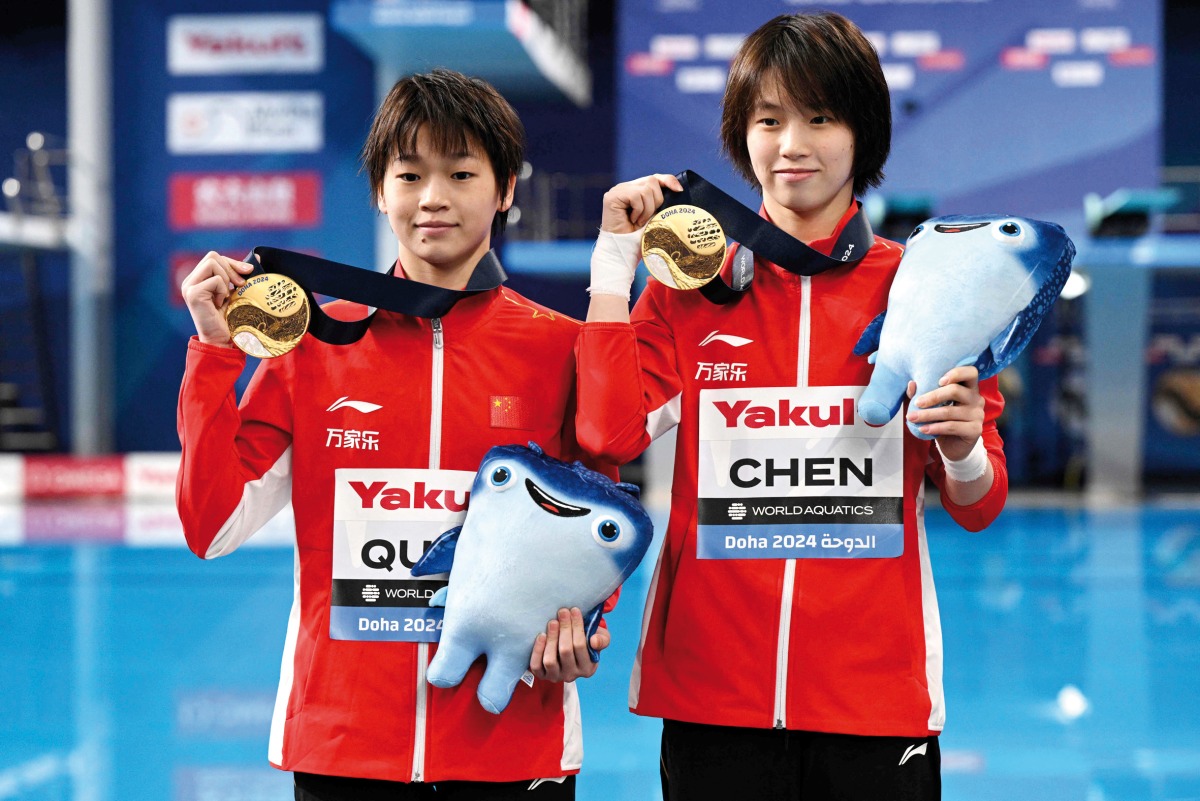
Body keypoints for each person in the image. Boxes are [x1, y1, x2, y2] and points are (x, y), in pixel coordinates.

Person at [577, 12, 1008, 801]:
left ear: (863, 134)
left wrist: (963, 448)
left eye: (819, 117)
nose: (791, 144)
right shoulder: (691, 291)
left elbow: (979, 505)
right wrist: (614, 266)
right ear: (742, 135)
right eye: (768, 120)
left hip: (874, 703)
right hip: (715, 700)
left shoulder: (922, 288)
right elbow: (609, 430)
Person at [177, 69, 613, 801]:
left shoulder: (563, 348)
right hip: (345, 749)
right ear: (380, 189)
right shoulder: (310, 349)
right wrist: (215, 354)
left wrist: (584, 625)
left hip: (510, 746)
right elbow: (210, 523)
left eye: (461, 172)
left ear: (505, 187)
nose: (433, 197)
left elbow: (601, 529)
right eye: (409, 173)